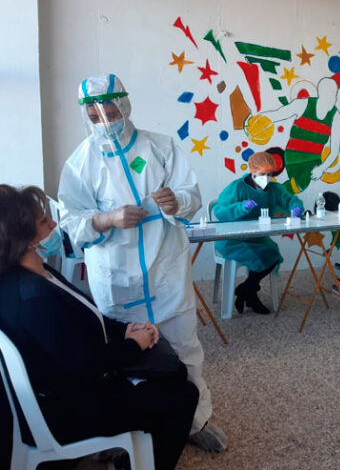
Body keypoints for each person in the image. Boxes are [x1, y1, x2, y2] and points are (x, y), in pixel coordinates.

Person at [57, 74, 226, 451]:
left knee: (185, 347)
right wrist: (105, 219)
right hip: (116, 278)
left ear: (124, 105)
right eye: (95, 116)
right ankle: (126, 432)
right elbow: (70, 221)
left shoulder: (161, 147)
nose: (105, 121)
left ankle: (194, 422)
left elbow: (191, 194)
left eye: (111, 112)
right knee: (125, 360)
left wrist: (176, 202)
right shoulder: (81, 162)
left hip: (165, 269)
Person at [0, 185, 198, 470]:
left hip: (69, 388)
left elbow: (86, 313)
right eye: (44, 221)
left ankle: (135, 455)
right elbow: (85, 364)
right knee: (184, 396)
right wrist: (135, 344)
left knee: (172, 373)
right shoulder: (31, 297)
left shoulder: (37, 273)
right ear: (24, 237)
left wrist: (124, 330)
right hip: (65, 411)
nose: (54, 224)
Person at [214, 151, 304, 314]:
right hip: (232, 239)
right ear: (252, 171)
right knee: (258, 256)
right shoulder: (237, 187)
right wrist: (241, 207)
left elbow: (290, 199)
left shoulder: (274, 189)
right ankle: (250, 294)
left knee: (273, 254)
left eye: (270, 174)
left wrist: (296, 207)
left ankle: (245, 290)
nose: (266, 178)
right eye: (262, 174)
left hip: (257, 238)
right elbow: (219, 211)